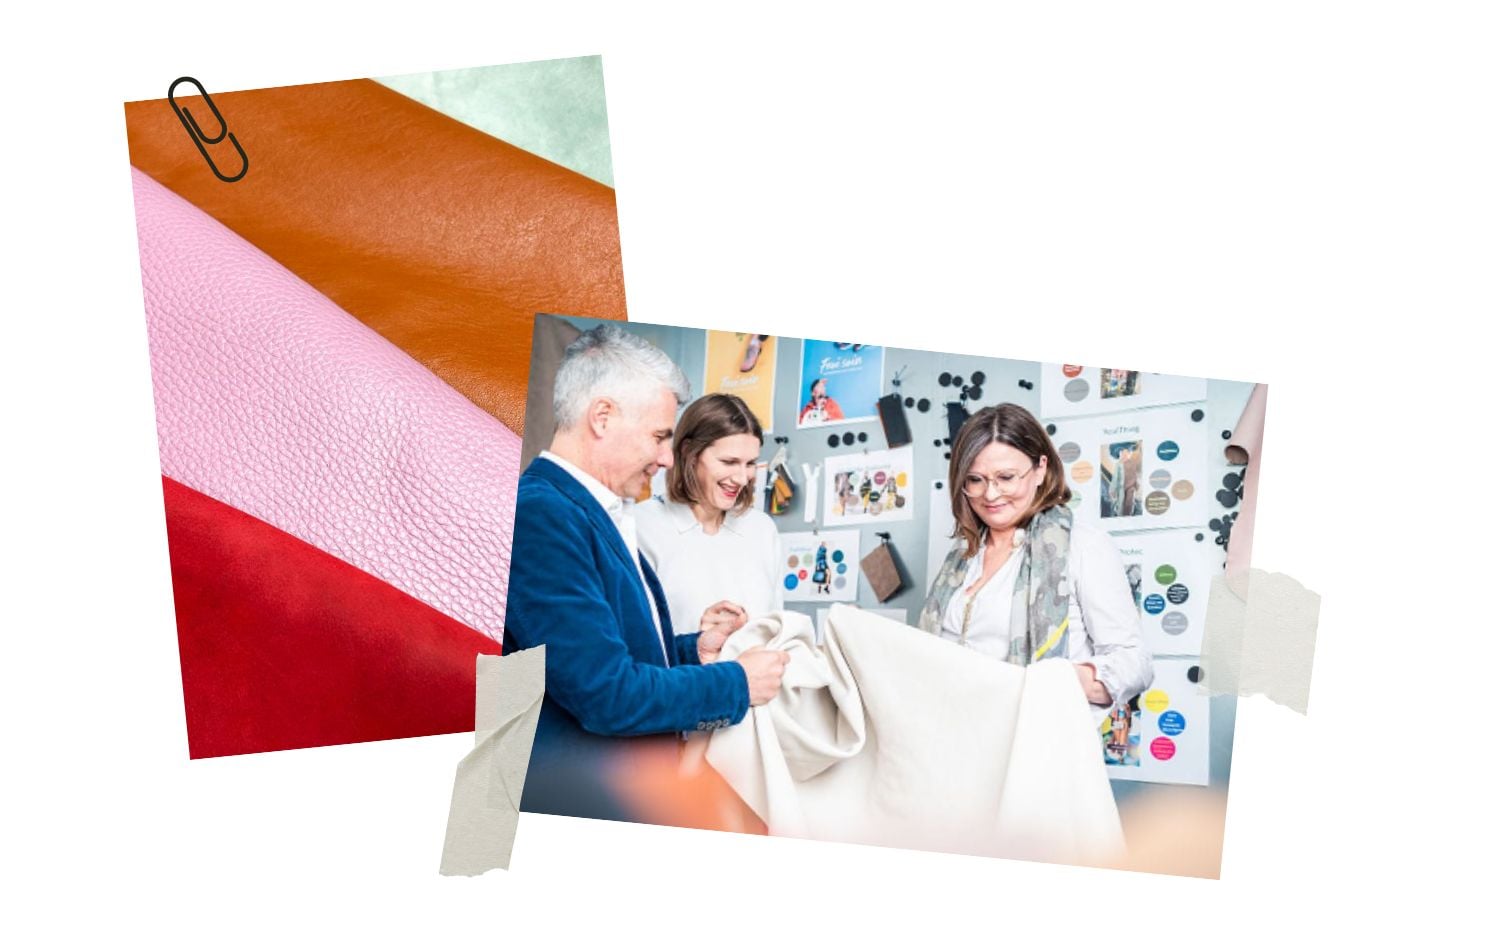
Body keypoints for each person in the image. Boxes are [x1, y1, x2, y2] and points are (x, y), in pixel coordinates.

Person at [503, 325, 790, 820]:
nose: (664, 456)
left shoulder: (593, 511)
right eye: (659, 436)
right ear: (602, 417)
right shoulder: (542, 514)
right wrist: (736, 684)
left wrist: (690, 649)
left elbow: (605, 650)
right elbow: (606, 693)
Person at [918, 403, 1152, 726]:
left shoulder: (1084, 547)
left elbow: (1135, 663)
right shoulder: (959, 561)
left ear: (1041, 469)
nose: (991, 494)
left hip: (1035, 748)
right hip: (952, 743)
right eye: (975, 479)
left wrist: (1053, 681)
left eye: (1006, 477)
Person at [635, 393, 784, 639]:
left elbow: (776, 631)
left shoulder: (762, 529)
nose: (741, 478)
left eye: (750, 464)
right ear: (690, 454)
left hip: (757, 677)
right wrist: (696, 637)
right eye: (729, 461)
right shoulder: (642, 527)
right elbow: (633, 644)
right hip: (682, 676)